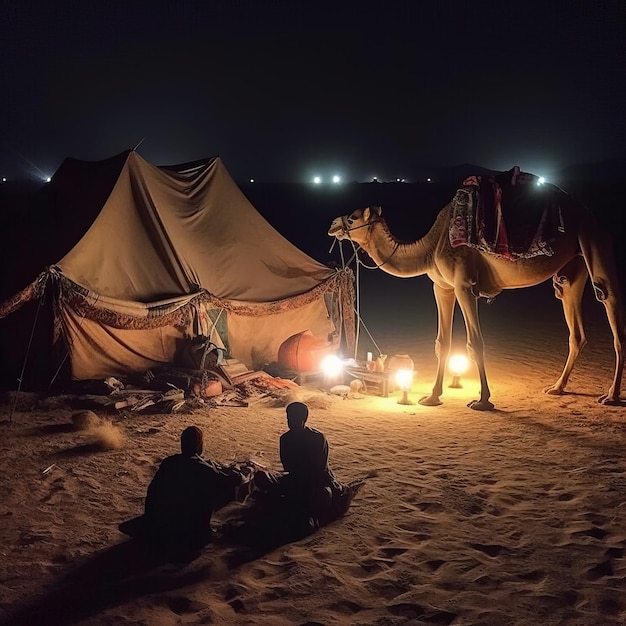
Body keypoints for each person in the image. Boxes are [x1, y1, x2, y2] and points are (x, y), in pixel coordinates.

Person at [119, 425, 254, 557]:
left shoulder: (168, 463)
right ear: (199, 445)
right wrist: (245, 472)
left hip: (161, 522)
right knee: (227, 490)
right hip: (190, 531)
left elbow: (152, 492)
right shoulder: (206, 469)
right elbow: (233, 480)